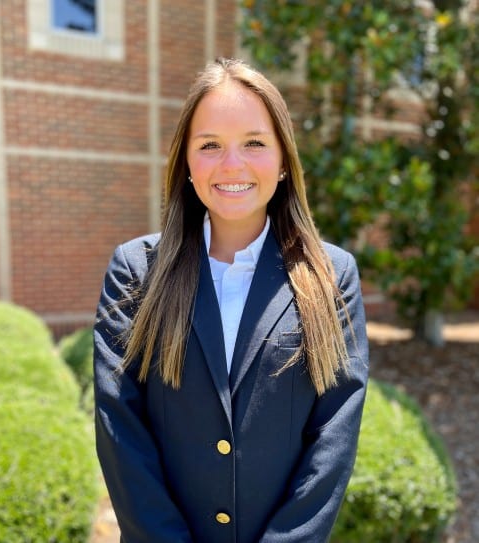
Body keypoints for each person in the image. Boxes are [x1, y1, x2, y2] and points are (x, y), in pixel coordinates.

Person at [93, 57, 369, 543]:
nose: (232, 164)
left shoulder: (331, 275)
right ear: (187, 162)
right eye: (211, 145)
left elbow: (333, 439)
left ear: (284, 162)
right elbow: (120, 428)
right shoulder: (136, 271)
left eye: (255, 143)